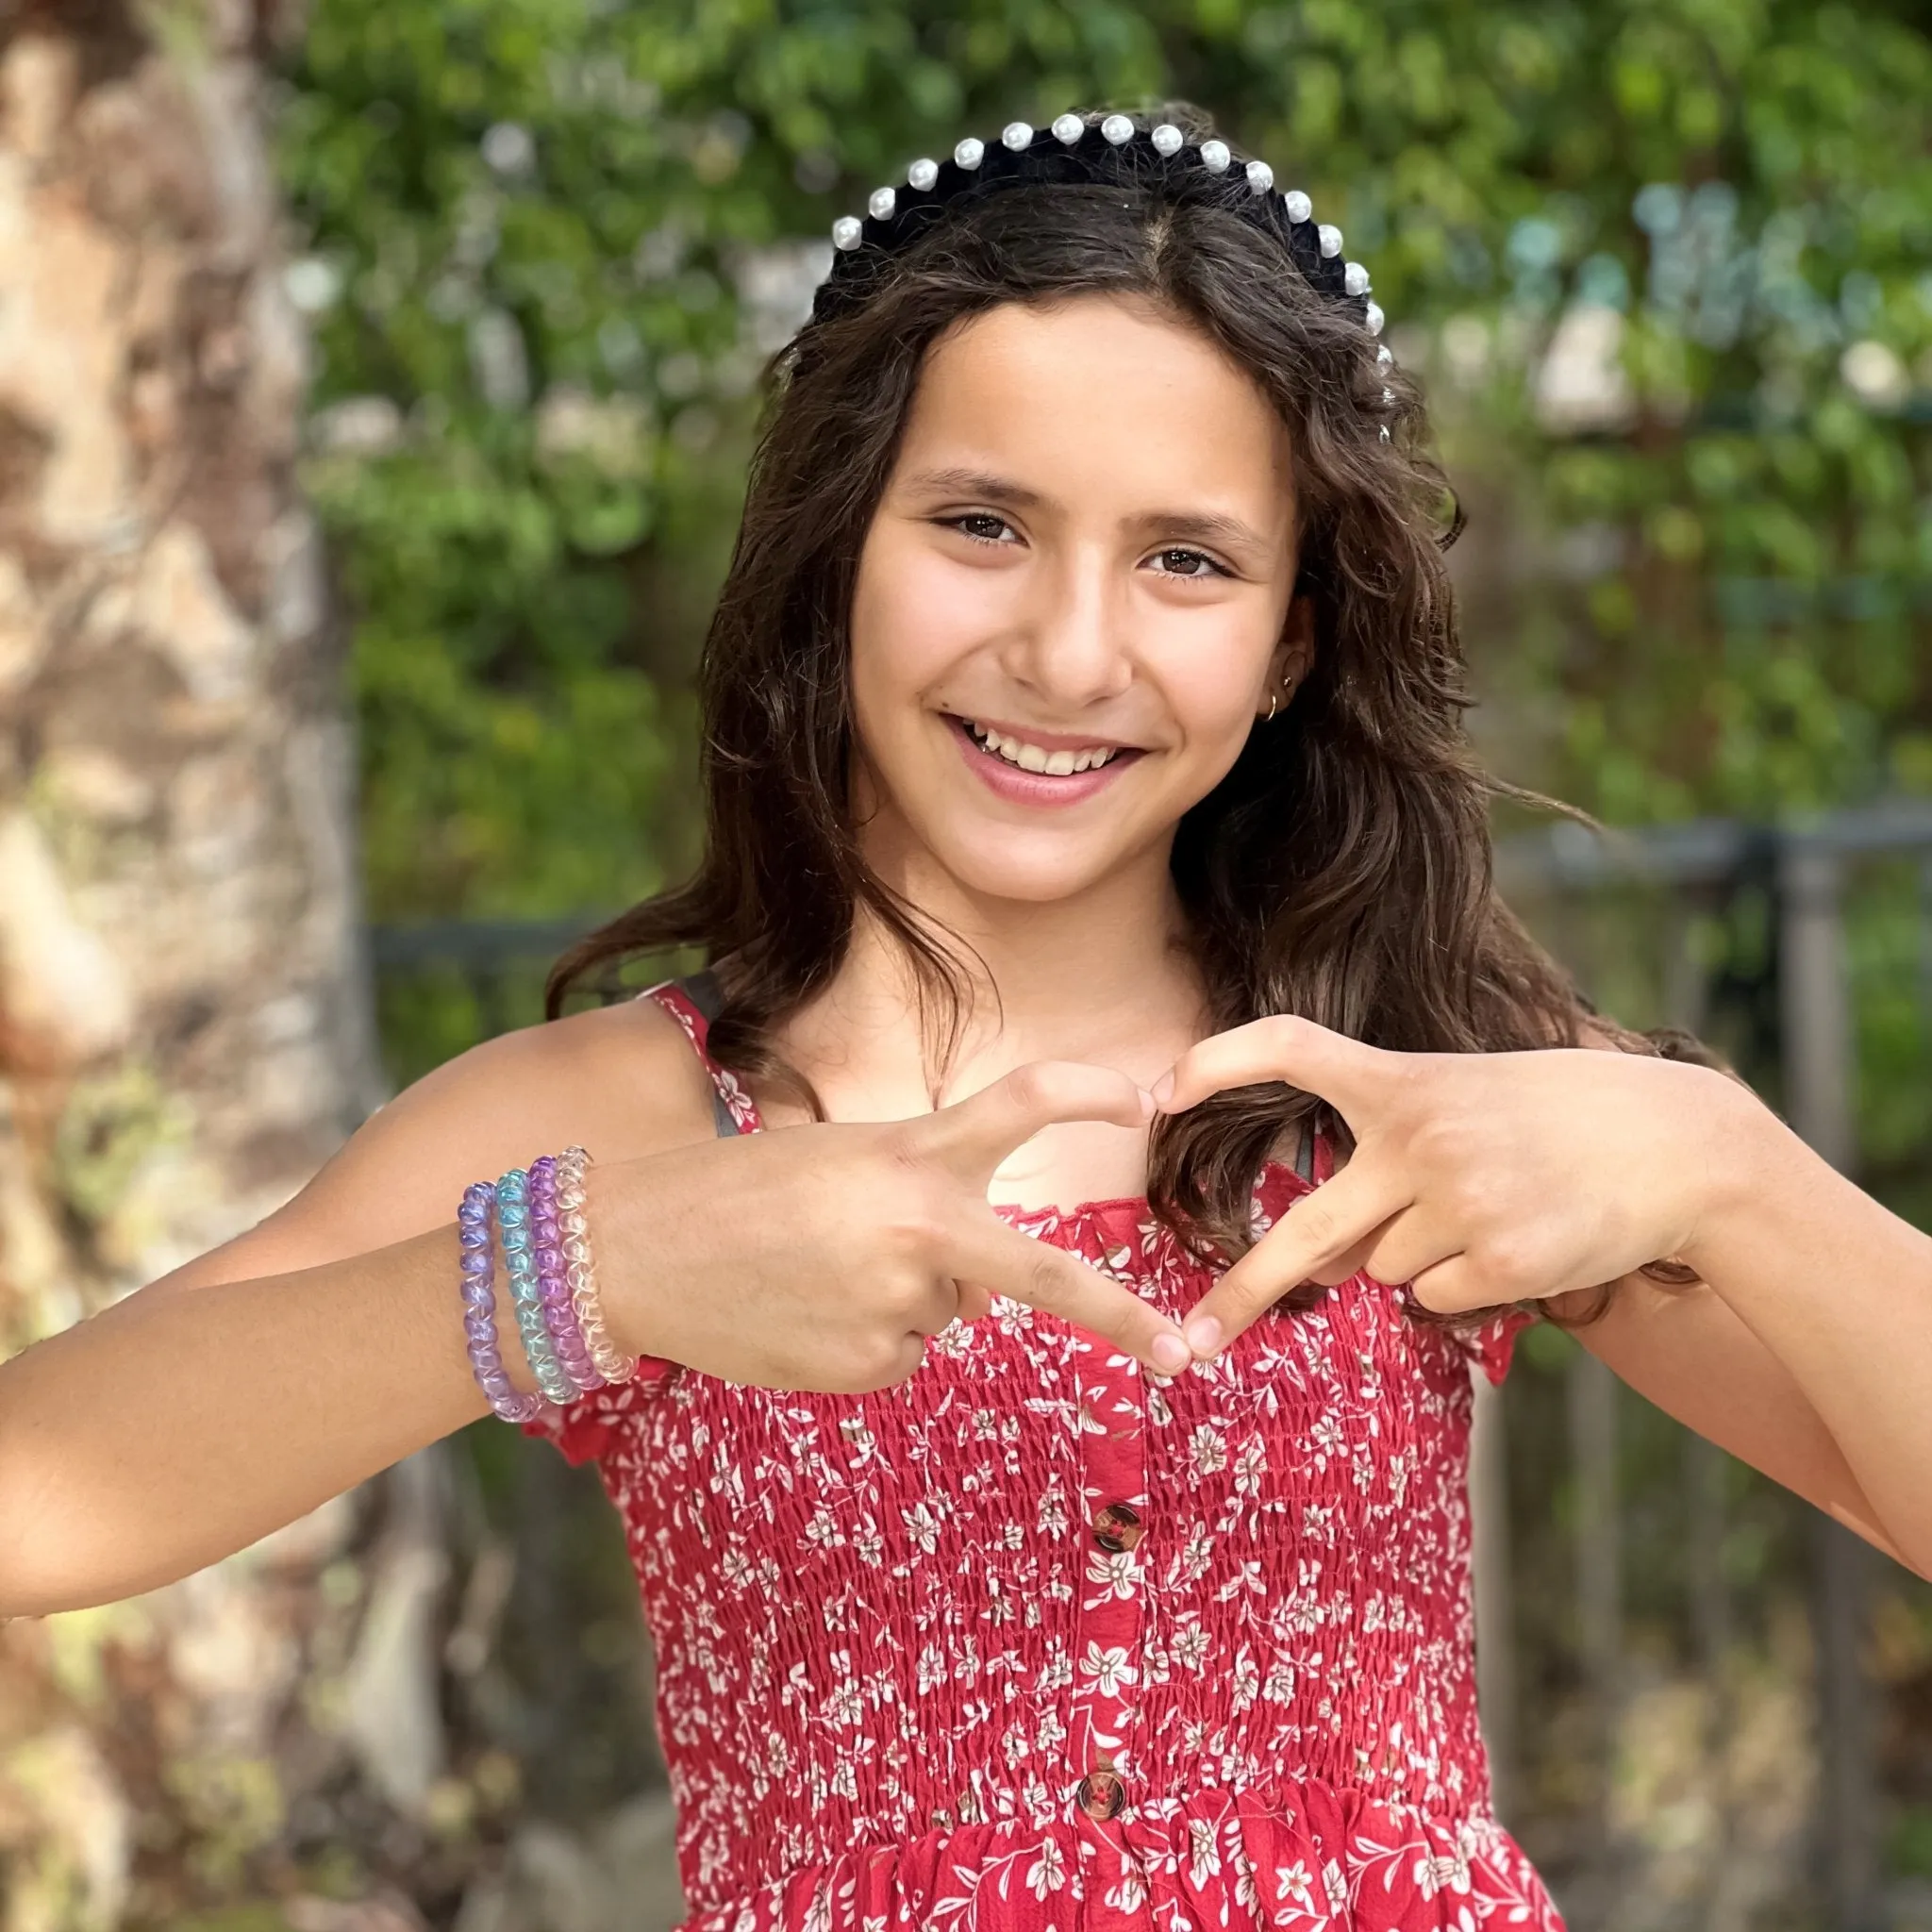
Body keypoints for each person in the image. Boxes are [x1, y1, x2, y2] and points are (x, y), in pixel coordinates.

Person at [2, 102, 1927, 1931]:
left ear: (1288, 644)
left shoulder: (1408, 1086)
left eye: (1185, 559)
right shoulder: (619, 1129)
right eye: (981, 524)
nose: (1068, 650)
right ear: (837, 542)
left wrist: (1727, 1164)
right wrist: (591, 1267)